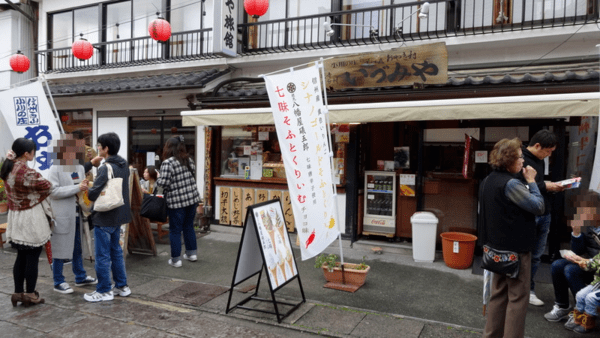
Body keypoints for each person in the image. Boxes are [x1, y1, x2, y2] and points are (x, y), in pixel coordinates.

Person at [480, 138, 545, 338]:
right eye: (519, 157)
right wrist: (532, 182)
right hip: (516, 251)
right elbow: (538, 207)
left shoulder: (489, 179)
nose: (523, 161)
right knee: (517, 299)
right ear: (509, 160)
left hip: (495, 249)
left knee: (498, 296)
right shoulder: (511, 184)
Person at [1, 138, 54, 307]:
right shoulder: (26, 172)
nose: (34, 154)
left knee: (21, 257)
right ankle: (31, 294)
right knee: (32, 257)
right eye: (33, 151)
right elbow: (47, 186)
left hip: (15, 216)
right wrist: (34, 198)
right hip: (30, 217)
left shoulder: (8, 167)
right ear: (26, 153)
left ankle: (17, 293)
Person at [84, 132, 132, 302]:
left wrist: (86, 188)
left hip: (104, 216)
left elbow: (93, 194)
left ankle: (104, 290)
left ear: (106, 148)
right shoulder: (124, 164)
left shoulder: (106, 168)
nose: (97, 148)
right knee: (116, 252)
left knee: (103, 255)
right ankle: (122, 286)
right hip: (119, 214)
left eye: (99, 146)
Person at [48, 135, 97, 294]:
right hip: (62, 213)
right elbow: (53, 192)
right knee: (60, 247)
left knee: (78, 246)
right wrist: (77, 189)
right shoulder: (55, 167)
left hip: (78, 212)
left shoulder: (79, 167)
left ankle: (80, 276)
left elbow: (81, 187)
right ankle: (58, 281)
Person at [521, 129, 565, 306]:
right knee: (524, 254)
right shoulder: (521, 159)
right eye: (548, 151)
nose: (549, 154)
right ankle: (520, 290)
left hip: (544, 212)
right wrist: (545, 186)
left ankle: (529, 289)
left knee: (537, 256)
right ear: (537, 145)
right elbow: (520, 187)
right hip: (529, 214)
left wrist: (549, 186)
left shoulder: (540, 160)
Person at [544, 190, 600, 324]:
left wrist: (587, 261)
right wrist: (576, 233)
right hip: (589, 265)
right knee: (558, 265)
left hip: (597, 267)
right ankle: (562, 306)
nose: (583, 214)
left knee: (570, 270)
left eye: (586, 210)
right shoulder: (587, 225)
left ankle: (582, 311)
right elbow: (578, 251)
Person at [156, 135, 201, 268]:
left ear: (168, 148)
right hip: (192, 198)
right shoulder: (188, 160)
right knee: (188, 226)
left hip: (176, 202)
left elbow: (163, 184)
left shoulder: (168, 163)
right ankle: (192, 254)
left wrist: (158, 178)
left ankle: (176, 260)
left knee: (175, 230)